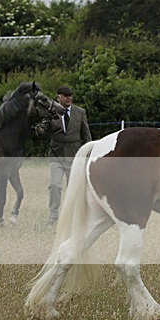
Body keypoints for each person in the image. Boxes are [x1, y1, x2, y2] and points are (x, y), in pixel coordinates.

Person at [38, 85, 91, 224]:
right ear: (58, 98)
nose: (69, 98)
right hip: (56, 156)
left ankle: (76, 216)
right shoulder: (52, 113)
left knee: (75, 188)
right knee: (55, 185)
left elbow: (86, 135)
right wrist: (42, 126)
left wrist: (88, 154)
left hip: (75, 157)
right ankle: (53, 215)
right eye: (66, 96)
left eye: (71, 95)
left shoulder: (80, 112)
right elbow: (42, 133)